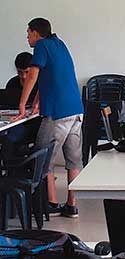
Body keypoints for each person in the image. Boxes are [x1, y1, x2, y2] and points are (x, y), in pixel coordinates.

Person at [15, 18, 83, 218]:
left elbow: (33, 76)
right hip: (76, 110)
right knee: (73, 160)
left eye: (28, 32)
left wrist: (22, 105)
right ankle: (72, 206)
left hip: (58, 112)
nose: (27, 36)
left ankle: (51, 203)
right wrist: (37, 101)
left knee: (42, 157)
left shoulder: (42, 45)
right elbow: (51, 77)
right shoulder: (59, 44)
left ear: (36, 33)